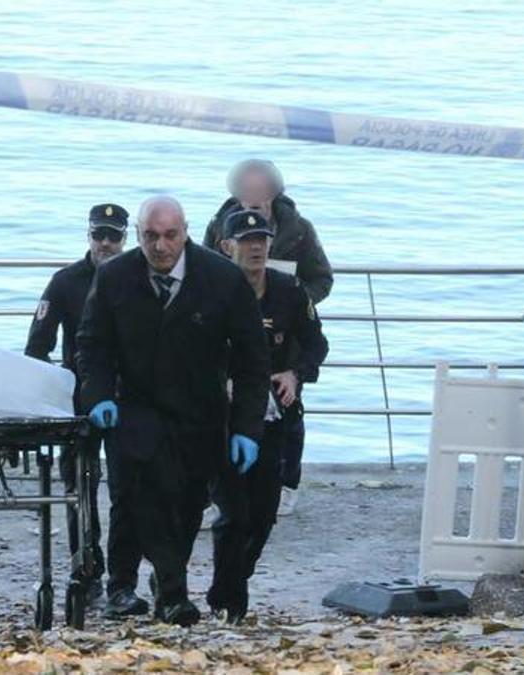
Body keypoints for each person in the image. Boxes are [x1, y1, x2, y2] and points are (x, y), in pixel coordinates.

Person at [76, 195, 270, 626]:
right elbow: (92, 344)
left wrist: (246, 428)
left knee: (186, 504)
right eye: (150, 237)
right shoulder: (115, 278)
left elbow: (253, 360)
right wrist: (99, 394)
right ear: (139, 235)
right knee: (140, 494)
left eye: (169, 236)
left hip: (199, 410)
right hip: (136, 406)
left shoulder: (222, 279)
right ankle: (159, 592)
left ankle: (165, 583)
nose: (160, 247)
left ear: (185, 232)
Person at [207, 209, 329, 622]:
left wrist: (296, 375)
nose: (256, 247)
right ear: (227, 247)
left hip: (273, 415)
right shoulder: (212, 290)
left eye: (261, 239)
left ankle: (230, 583)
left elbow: (317, 345)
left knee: (263, 515)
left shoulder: (289, 291)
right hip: (221, 418)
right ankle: (231, 602)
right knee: (232, 512)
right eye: (246, 241)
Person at [24, 202, 129, 606]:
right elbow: (37, 345)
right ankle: (86, 568)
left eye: (113, 236)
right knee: (78, 487)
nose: (105, 243)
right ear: (88, 235)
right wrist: (49, 395)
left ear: (124, 238)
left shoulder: (137, 277)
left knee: (128, 487)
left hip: (129, 397)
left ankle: (123, 574)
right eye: (98, 234)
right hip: (77, 398)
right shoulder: (65, 282)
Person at [201, 159, 334, 304]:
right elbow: (203, 275)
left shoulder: (299, 230)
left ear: (274, 192)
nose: (254, 198)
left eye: (261, 190)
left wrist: (294, 304)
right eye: (247, 190)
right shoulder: (219, 226)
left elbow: (321, 279)